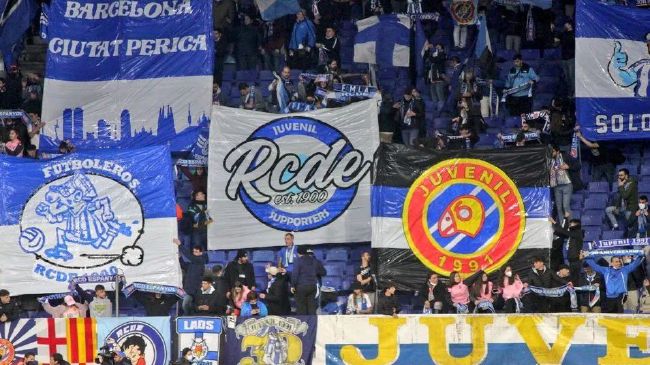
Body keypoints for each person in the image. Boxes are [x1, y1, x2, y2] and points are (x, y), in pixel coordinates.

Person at [175, 238, 207, 315]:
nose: (194, 253)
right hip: (187, 289)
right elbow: (184, 265)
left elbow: (190, 256)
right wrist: (180, 258)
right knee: (185, 305)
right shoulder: (192, 263)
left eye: (196, 252)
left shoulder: (200, 260)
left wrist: (180, 245)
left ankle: (187, 317)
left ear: (201, 253)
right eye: (193, 252)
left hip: (195, 290)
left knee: (186, 305)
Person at [291, 245, 326, 315]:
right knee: (312, 308)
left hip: (301, 287)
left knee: (301, 308)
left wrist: (293, 286)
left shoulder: (298, 261)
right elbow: (323, 272)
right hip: (312, 286)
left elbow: (295, 274)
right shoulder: (315, 261)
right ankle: (312, 325)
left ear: (298, 253)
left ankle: (303, 325)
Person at [550, 144, 581, 223]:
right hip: (556, 186)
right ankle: (562, 226)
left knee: (565, 206)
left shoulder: (566, 157)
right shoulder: (549, 159)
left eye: (553, 151)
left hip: (567, 184)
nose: (551, 153)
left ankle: (571, 226)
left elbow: (578, 165)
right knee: (559, 207)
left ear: (558, 151)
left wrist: (569, 166)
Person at [550, 217, 584, 284]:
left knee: (575, 279)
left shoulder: (578, 233)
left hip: (576, 260)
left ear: (575, 224)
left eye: (571, 224)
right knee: (572, 278)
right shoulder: (572, 234)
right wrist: (554, 231)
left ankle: (577, 293)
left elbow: (564, 231)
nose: (570, 225)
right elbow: (562, 233)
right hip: (572, 260)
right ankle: (573, 291)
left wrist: (554, 222)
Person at [424, 43, 447, 111]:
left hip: (439, 77)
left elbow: (435, 60)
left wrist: (432, 50)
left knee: (439, 94)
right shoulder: (433, 54)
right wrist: (427, 49)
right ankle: (435, 110)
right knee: (433, 95)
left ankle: (442, 110)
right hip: (432, 77)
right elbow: (426, 57)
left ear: (442, 48)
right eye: (436, 46)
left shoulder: (443, 54)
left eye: (438, 47)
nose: (436, 47)